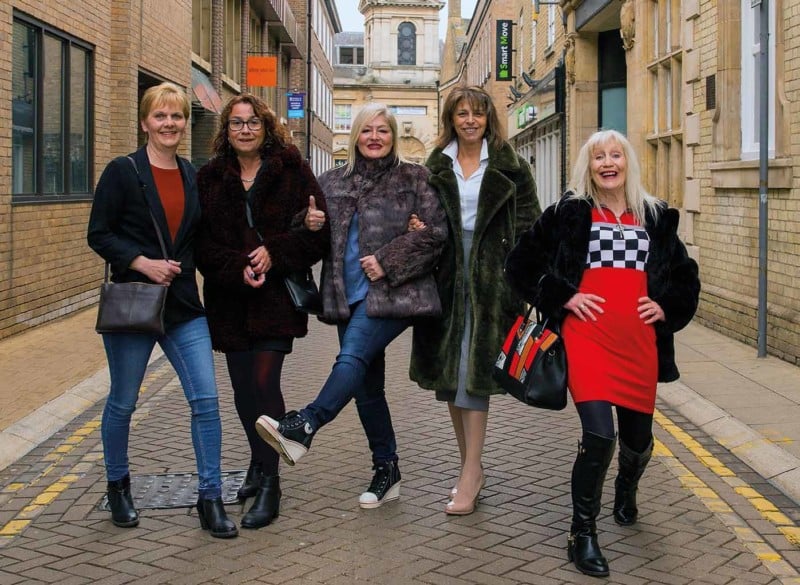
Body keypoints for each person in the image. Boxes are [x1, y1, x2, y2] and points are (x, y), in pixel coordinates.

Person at [504, 129, 700, 577]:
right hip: (585, 340)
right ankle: (582, 534)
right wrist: (563, 296)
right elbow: (519, 265)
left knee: (637, 441)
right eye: (598, 157)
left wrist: (667, 306)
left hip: (639, 346)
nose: (608, 163)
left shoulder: (655, 216)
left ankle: (627, 487)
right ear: (587, 166)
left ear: (628, 162)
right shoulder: (568, 214)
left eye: (616, 155)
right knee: (598, 435)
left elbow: (686, 279)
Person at [255, 103, 447, 509]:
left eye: (383, 131)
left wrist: (388, 259)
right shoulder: (331, 182)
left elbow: (437, 235)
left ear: (394, 137)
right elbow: (299, 225)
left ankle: (305, 424)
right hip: (348, 295)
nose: (374, 137)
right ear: (355, 136)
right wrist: (305, 224)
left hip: (395, 296)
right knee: (366, 387)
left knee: (351, 357)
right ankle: (387, 469)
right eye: (367, 130)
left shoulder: (414, 179)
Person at [87, 82, 237, 538]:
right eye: (161, 116)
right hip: (134, 304)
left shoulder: (194, 174)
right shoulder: (123, 171)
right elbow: (99, 233)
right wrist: (140, 262)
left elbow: (207, 238)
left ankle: (210, 497)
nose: (170, 124)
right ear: (145, 123)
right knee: (124, 402)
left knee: (206, 402)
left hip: (185, 309)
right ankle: (118, 486)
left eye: (177, 117)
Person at [194, 94, 329, 529]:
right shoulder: (211, 177)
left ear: (266, 127)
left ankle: (271, 485)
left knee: (264, 381)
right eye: (237, 123)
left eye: (253, 122)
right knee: (242, 391)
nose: (246, 129)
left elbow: (317, 233)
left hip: (275, 302)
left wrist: (275, 252)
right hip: (230, 301)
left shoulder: (292, 171)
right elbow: (200, 244)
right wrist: (237, 267)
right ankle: (257, 462)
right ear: (226, 131)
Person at [408, 86, 541, 515]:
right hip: (445, 276)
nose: (470, 121)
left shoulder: (511, 167)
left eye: (477, 114)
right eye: (462, 113)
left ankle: (470, 470)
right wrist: (417, 224)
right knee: (451, 376)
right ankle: (471, 466)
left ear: (488, 119)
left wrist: (518, 282)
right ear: (451, 118)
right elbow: (422, 220)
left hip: (492, 279)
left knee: (473, 370)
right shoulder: (434, 164)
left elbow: (529, 227)